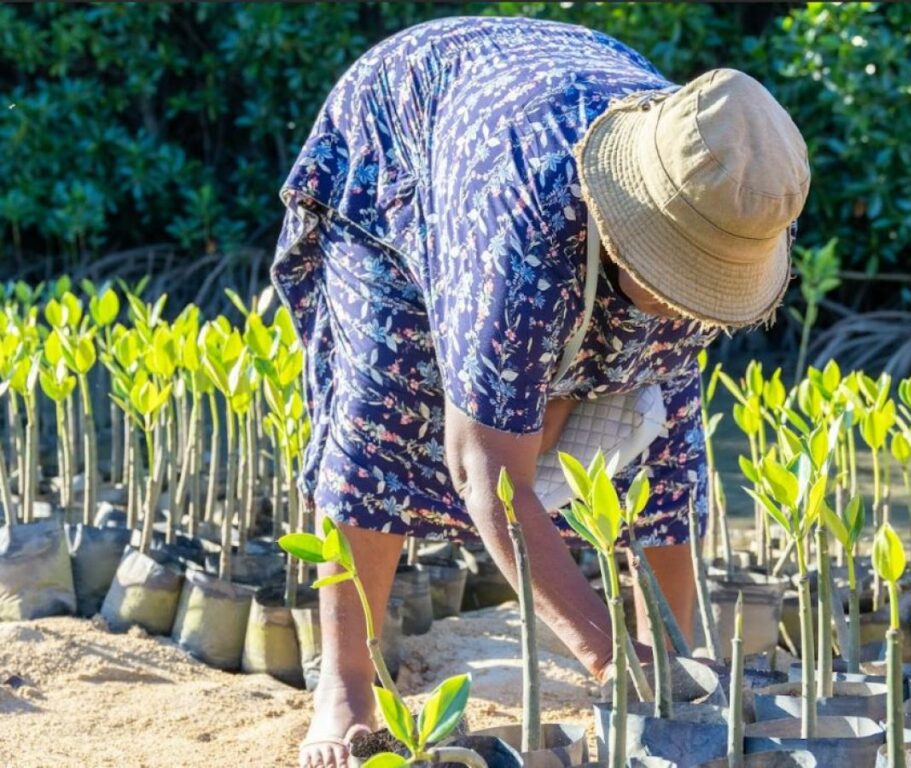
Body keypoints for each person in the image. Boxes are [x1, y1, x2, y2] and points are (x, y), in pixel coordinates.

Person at [271, 15, 809, 768]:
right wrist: (606, 656)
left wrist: (672, 662)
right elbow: (484, 472)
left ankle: (672, 647)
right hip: (406, 144)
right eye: (678, 267)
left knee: (664, 432)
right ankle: (348, 682)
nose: (688, 297)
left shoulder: (740, 191)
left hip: (543, 120)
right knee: (381, 416)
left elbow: (670, 465)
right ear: (633, 219)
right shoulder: (522, 224)